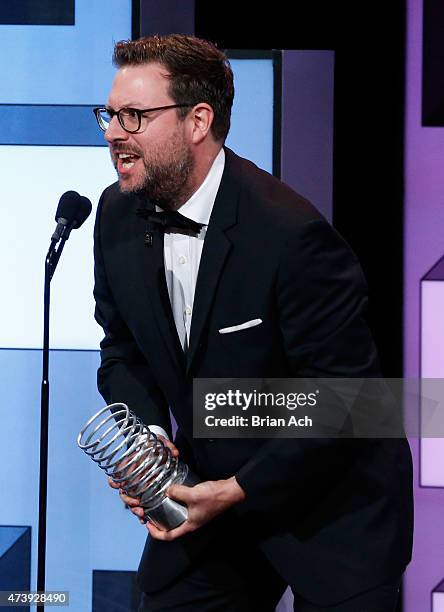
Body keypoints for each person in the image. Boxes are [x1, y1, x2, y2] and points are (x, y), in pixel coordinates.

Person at [93, 34, 413, 612]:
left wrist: (240, 489)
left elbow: (347, 397)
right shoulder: (115, 216)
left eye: (135, 116)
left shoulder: (289, 234)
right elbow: (122, 350)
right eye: (111, 115)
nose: (115, 132)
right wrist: (150, 438)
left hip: (331, 508)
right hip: (209, 496)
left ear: (198, 120)